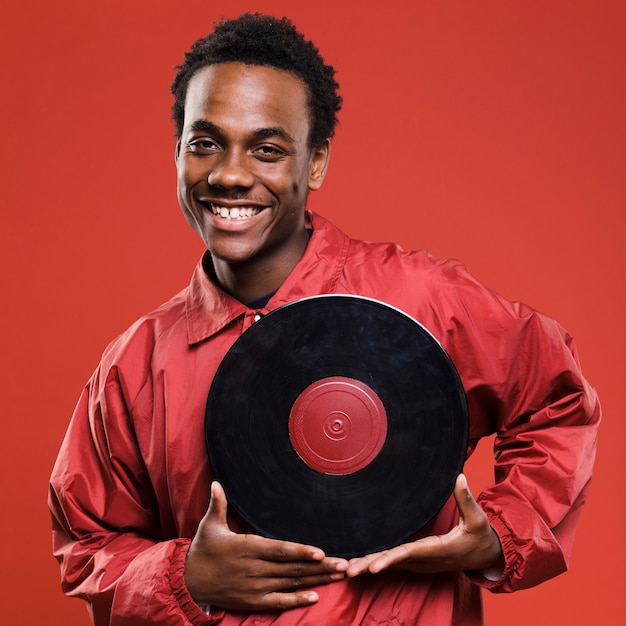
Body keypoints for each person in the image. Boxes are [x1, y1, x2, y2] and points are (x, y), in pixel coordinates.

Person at [49, 13, 600, 626]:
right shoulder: (134, 365)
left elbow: (556, 398)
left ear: (314, 164)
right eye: (205, 143)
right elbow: (89, 548)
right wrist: (187, 576)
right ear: (176, 153)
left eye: (267, 149)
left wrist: (501, 534)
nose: (230, 174)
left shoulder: (423, 298)